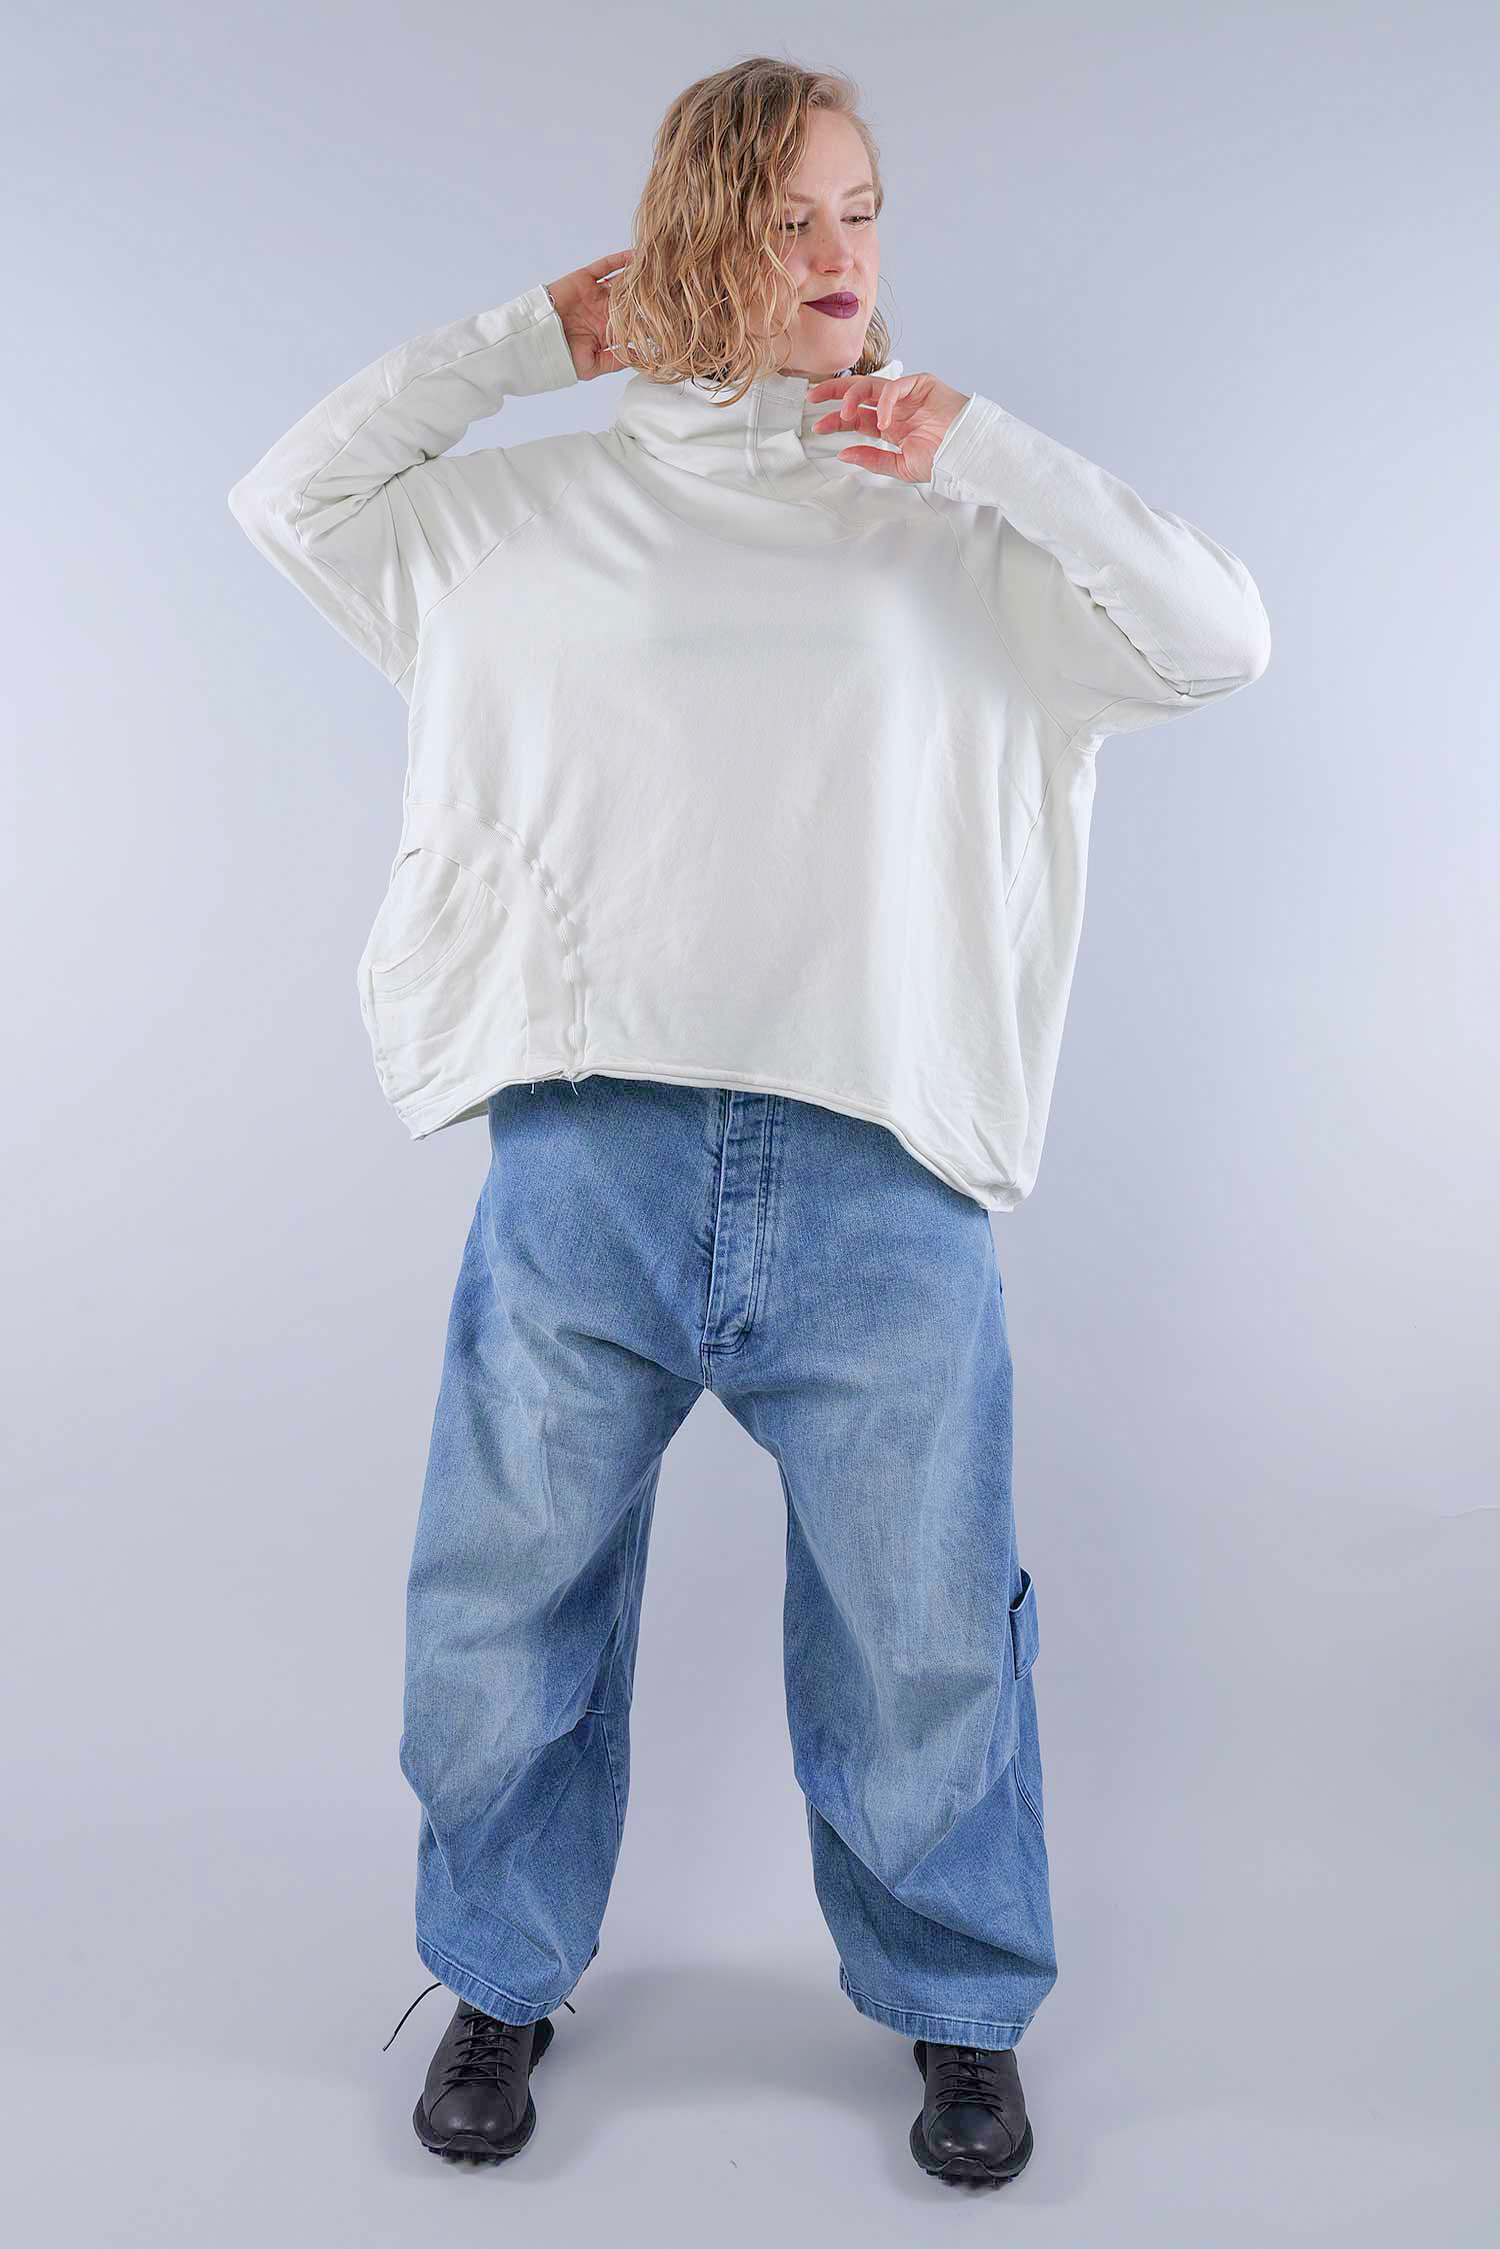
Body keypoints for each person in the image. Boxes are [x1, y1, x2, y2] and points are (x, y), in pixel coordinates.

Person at [227, 56, 1270, 2190]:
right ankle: (498, 1973)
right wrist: (529, 338)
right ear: (691, 236)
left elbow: (1218, 636)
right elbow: (288, 500)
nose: (838, 255)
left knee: (923, 1638)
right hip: (584, 1161)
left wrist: (986, 445)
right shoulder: (519, 522)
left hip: (880, 1173)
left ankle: (961, 2008)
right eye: (790, 215)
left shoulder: (957, 535)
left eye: (863, 211)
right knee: (498, 1615)